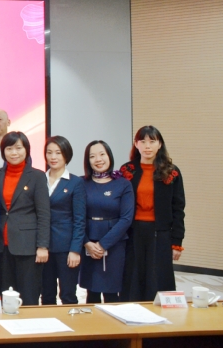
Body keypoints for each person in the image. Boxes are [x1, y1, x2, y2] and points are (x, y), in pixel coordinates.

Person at [120, 126, 186, 302]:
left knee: (158, 277)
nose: (147, 146)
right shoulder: (127, 170)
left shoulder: (171, 172)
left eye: (152, 141)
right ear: (136, 144)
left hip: (161, 233)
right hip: (133, 232)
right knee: (133, 276)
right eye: (142, 141)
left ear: (160, 144)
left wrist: (177, 241)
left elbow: (178, 208)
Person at [0, 131, 50, 306]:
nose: (14, 153)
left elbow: (43, 213)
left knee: (28, 295)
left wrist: (42, 246)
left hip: (28, 246)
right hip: (2, 246)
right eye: (9, 148)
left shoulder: (37, 176)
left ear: (26, 150)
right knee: (4, 295)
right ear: (3, 151)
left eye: (18, 148)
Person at [79, 140, 134, 303]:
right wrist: (87, 243)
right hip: (88, 243)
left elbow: (126, 218)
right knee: (91, 292)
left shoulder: (123, 184)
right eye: (92, 156)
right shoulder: (81, 183)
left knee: (111, 292)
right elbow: (76, 216)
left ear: (109, 156)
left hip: (114, 244)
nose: (98, 159)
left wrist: (103, 244)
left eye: (102, 154)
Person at [40, 136, 86, 305]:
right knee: (46, 294)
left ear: (66, 155)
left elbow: (79, 219)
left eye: (58, 153)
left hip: (66, 248)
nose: (53, 157)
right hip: (42, 246)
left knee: (68, 294)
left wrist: (75, 250)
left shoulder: (75, 182)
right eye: (49, 152)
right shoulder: (39, 179)